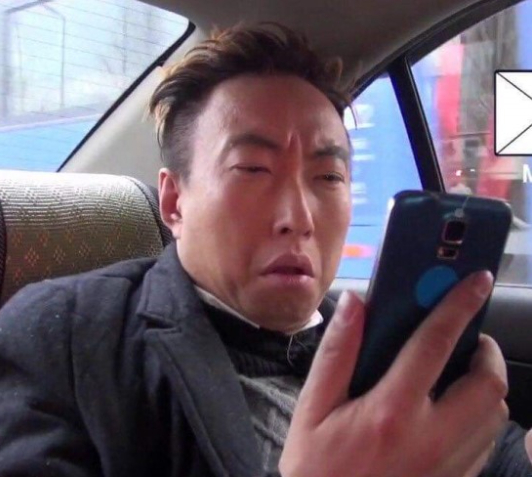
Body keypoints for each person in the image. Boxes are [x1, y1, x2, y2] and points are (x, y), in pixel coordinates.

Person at [0, 23, 530, 477]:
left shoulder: (378, 343)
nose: (298, 218)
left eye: (328, 176)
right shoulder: (63, 337)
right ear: (174, 201)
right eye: (252, 169)